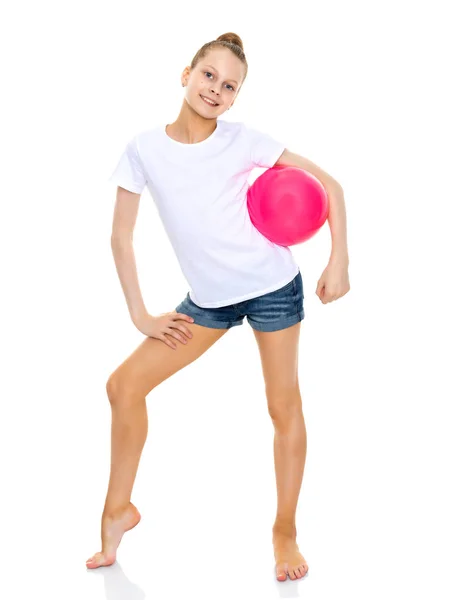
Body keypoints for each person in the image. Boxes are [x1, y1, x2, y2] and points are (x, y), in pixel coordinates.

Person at [86, 32, 350, 581]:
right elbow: (120, 238)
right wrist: (142, 315)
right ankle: (118, 511)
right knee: (123, 386)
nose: (216, 89)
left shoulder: (243, 140)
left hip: (272, 286)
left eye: (229, 86)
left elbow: (332, 186)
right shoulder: (143, 148)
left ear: (235, 98)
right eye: (209, 76)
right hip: (208, 303)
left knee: (283, 407)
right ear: (186, 74)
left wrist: (338, 260)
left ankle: (285, 530)